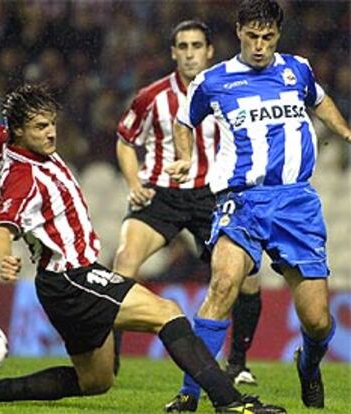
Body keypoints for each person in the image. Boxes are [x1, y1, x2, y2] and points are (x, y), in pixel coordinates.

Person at [0, 57, 286, 414]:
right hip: (72, 279)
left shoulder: (10, 148)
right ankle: (230, 403)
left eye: (52, 124)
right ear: (19, 132)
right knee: (167, 312)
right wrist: (2, 255)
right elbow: (3, 225)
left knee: (95, 381)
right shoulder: (22, 177)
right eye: (41, 127)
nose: (51, 133)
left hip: (59, 287)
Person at [166, 0, 351, 410]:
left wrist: (346, 132)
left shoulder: (297, 70)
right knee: (223, 284)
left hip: (295, 203)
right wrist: (184, 157)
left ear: (278, 36)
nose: (259, 45)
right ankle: (188, 393)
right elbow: (184, 121)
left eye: (267, 37)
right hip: (241, 201)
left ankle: (308, 364)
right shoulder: (214, 81)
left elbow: (320, 102)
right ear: (238, 32)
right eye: (252, 36)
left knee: (318, 321)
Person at [114, 21, 262, 411]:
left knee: (245, 281)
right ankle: (106, 357)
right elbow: (125, 141)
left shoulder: (229, 88)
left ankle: (239, 363)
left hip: (212, 196)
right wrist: (134, 182)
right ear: (173, 53)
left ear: (210, 51)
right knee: (123, 263)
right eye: (183, 46)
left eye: (197, 45)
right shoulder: (152, 96)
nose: (190, 52)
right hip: (161, 194)